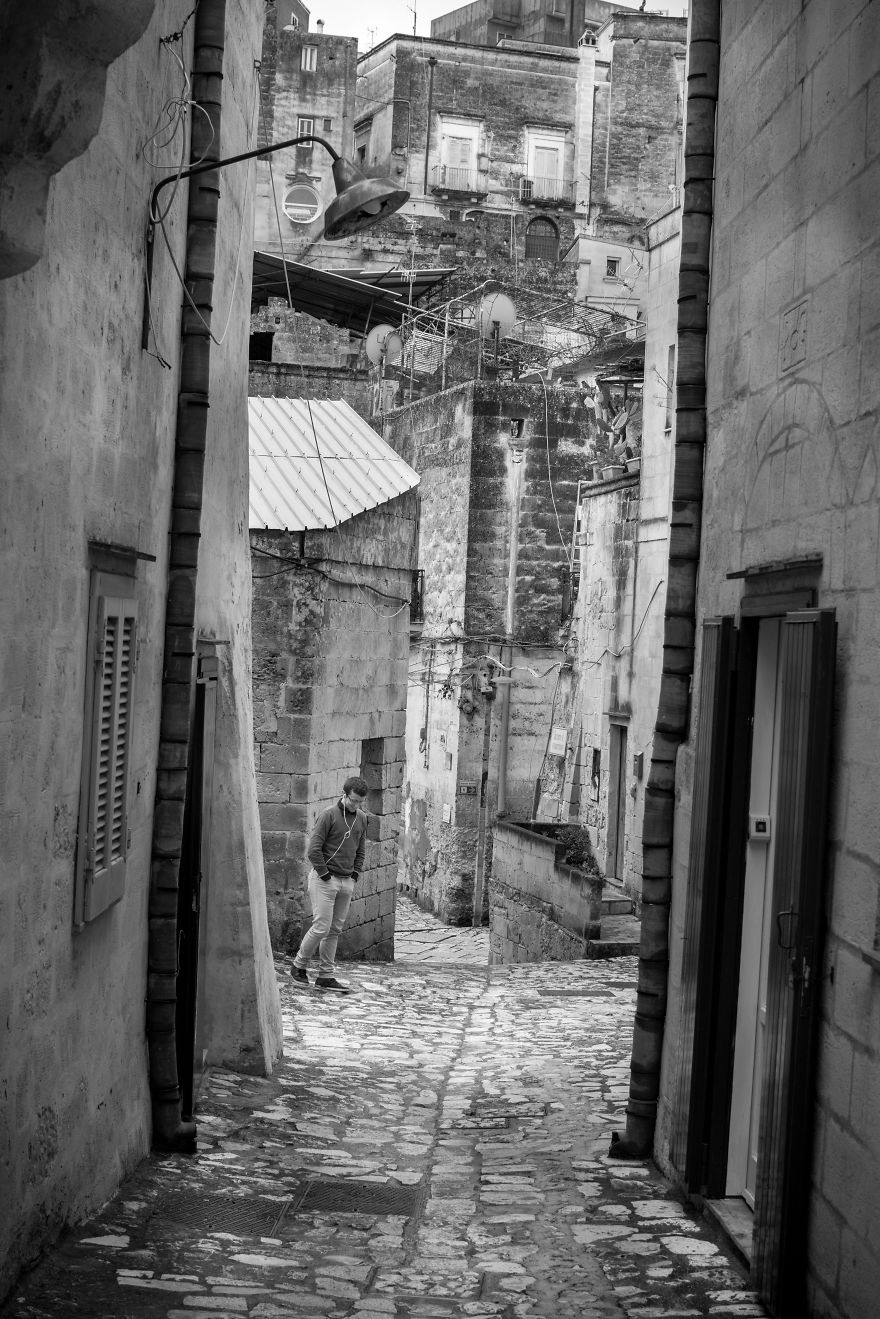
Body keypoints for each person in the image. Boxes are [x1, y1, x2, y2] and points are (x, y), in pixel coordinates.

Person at [290, 776, 369, 993]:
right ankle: (298, 966)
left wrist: (355, 875)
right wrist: (325, 875)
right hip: (325, 879)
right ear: (344, 795)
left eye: (360, 802)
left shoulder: (362, 818)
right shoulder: (328, 815)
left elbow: (360, 849)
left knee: (334, 929)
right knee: (321, 926)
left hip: (346, 880)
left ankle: (326, 975)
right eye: (353, 801)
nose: (356, 805)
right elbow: (313, 850)